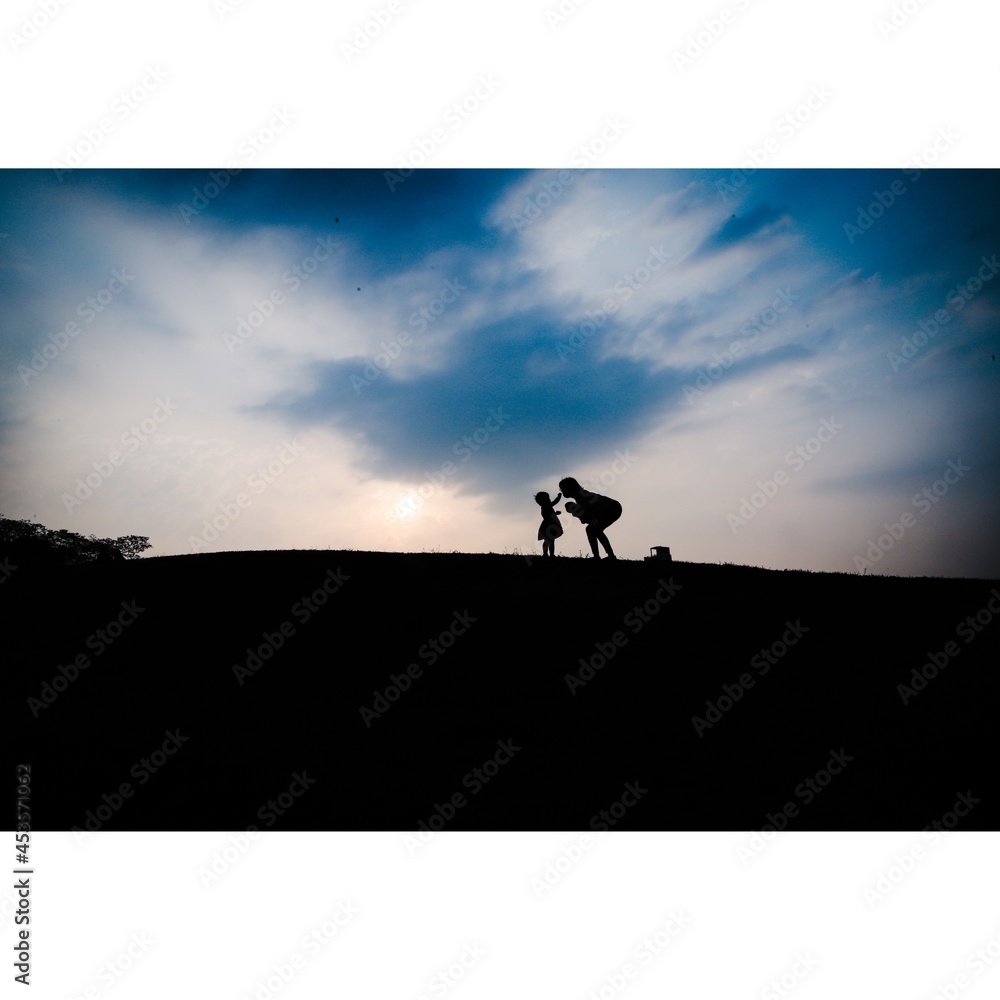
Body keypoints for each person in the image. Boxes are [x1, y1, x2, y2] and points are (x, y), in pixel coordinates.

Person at [558, 477, 621, 560]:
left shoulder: (582, 497)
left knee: (594, 530)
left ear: (570, 488)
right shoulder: (579, 497)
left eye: (562, 489)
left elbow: (590, 512)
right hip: (610, 508)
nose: (561, 491)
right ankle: (603, 555)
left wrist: (591, 520)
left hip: (612, 508)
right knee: (593, 530)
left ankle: (607, 556)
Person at [534, 491, 563, 557]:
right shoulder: (546, 505)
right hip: (549, 525)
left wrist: (555, 513)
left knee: (548, 540)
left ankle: (546, 554)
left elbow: (548, 514)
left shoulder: (545, 506)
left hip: (547, 524)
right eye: (548, 498)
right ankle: (550, 554)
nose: (549, 499)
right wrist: (559, 497)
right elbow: (554, 502)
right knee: (550, 540)